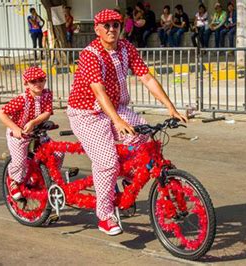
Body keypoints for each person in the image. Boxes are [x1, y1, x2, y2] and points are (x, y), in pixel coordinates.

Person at [66, 9, 187, 236]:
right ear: (97, 29)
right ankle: (105, 215)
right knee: (107, 162)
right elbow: (98, 92)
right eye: (107, 26)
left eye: (116, 25)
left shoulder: (125, 48)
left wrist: (171, 109)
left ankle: (125, 182)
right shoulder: (90, 54)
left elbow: (146, 77)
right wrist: (118, 121)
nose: (112, 29)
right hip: (87, 113)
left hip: (116, 107)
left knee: (144, 136)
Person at [0, 66, 56, 201]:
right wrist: (15, 129)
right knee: (19, 161)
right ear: (26, 84)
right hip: (19, 133)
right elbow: (2, 113)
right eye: (33, 81)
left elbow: (47, 112)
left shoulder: (47, 94)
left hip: (37, 131)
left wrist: (34, 122)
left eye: (41, 80)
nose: (38, 84)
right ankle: (14, 182)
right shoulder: (22, 99)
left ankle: (46, 177)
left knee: (57, 152)